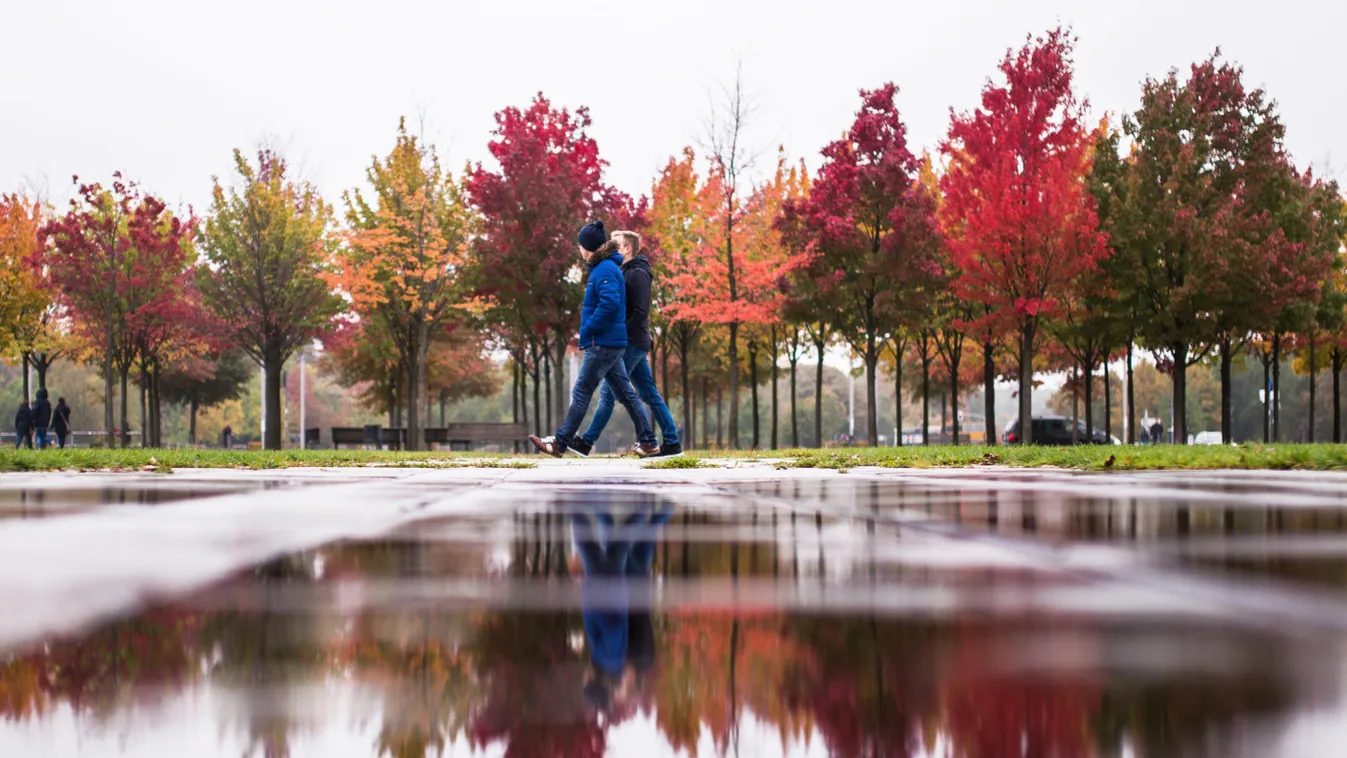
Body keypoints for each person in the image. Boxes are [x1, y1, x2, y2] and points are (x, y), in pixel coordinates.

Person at [529, 221, 659, 458]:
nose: (579, 248)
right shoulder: (604, 267)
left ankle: (560, 443)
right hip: (611, 342)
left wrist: (589, 329)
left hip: (603, 342)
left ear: (587, 246)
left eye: (580, 244)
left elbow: (609, 304)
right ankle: (649, 441)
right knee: (626, 395)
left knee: (582, 391)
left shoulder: (605, 269)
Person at [569, 231, 681, 458]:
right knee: (649, 394)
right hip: (632, 341)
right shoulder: (624, 271)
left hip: (631, 341)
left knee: (609, 394)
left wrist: (617, 334)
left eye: (616, 243)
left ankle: (586, 442)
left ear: (627, 248)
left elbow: (639, 312)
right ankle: (672, 442)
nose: (609, 245)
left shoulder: (638, 273)